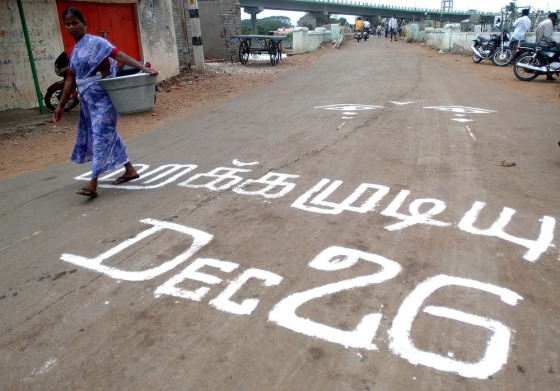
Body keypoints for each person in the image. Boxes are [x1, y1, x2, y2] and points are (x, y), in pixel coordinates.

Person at [52, 7, 159, 198]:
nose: (71, 27)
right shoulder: (74, 51)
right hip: (87, 103)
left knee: (101, 137)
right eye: (67, 24)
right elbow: (70, 80)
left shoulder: (98, 43)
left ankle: (93, 182)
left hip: (104, 100)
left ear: (85, 24)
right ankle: (130, 170)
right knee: (108, 134)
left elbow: (118, 55)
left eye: (75, 23)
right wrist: (60, 106)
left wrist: (143, 67)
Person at [535, 12, 558, 80]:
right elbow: (547, 35)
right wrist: (555, 42)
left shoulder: (544, 22)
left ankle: (549, 74)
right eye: (555, 19)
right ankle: (550, 73)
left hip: (540, 43)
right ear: (553, 17)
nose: (555, 21)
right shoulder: (549, 22)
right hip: (544, 44)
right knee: (555, 54)